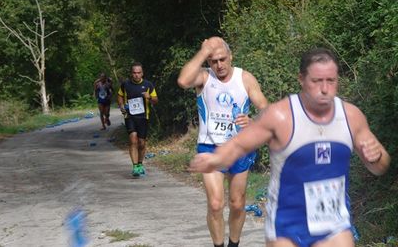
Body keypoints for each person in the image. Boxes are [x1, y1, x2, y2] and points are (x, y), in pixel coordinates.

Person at [189, 47, 391, 247]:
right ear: (301, 79)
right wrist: (215, 159)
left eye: (331, 80)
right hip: (287, 228)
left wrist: (376, 157)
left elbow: (380, 166)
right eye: (316, 81)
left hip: (334, 225)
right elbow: (238, 145)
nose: (324, 88)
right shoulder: (281, 116)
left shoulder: (351, 116)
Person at [177, 36, 268, 247]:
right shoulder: (204, 78)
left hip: (239, 148)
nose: (219, 65)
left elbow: (265, 108)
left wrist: (253, 121)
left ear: (230, 57)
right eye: (213, 61)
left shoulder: (245, 78)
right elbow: (182, 81)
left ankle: (233, 244)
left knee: (237, 204)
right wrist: (203, 52)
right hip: (209, 147)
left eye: (222, 59)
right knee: (216, 204)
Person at [118, 62, 158, 177]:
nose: (136, 75)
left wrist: (149, 97)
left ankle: (140, 164)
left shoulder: (148, 85)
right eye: (134, 73)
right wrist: (121, 106)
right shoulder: (125, 84)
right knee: (133, 140)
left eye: (138, 73)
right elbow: (120, 96)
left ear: (142, 73)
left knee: (141, 143)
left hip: (143, 117)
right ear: (131, 73)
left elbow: (156, 100)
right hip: (130, 116)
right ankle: (135, 166)